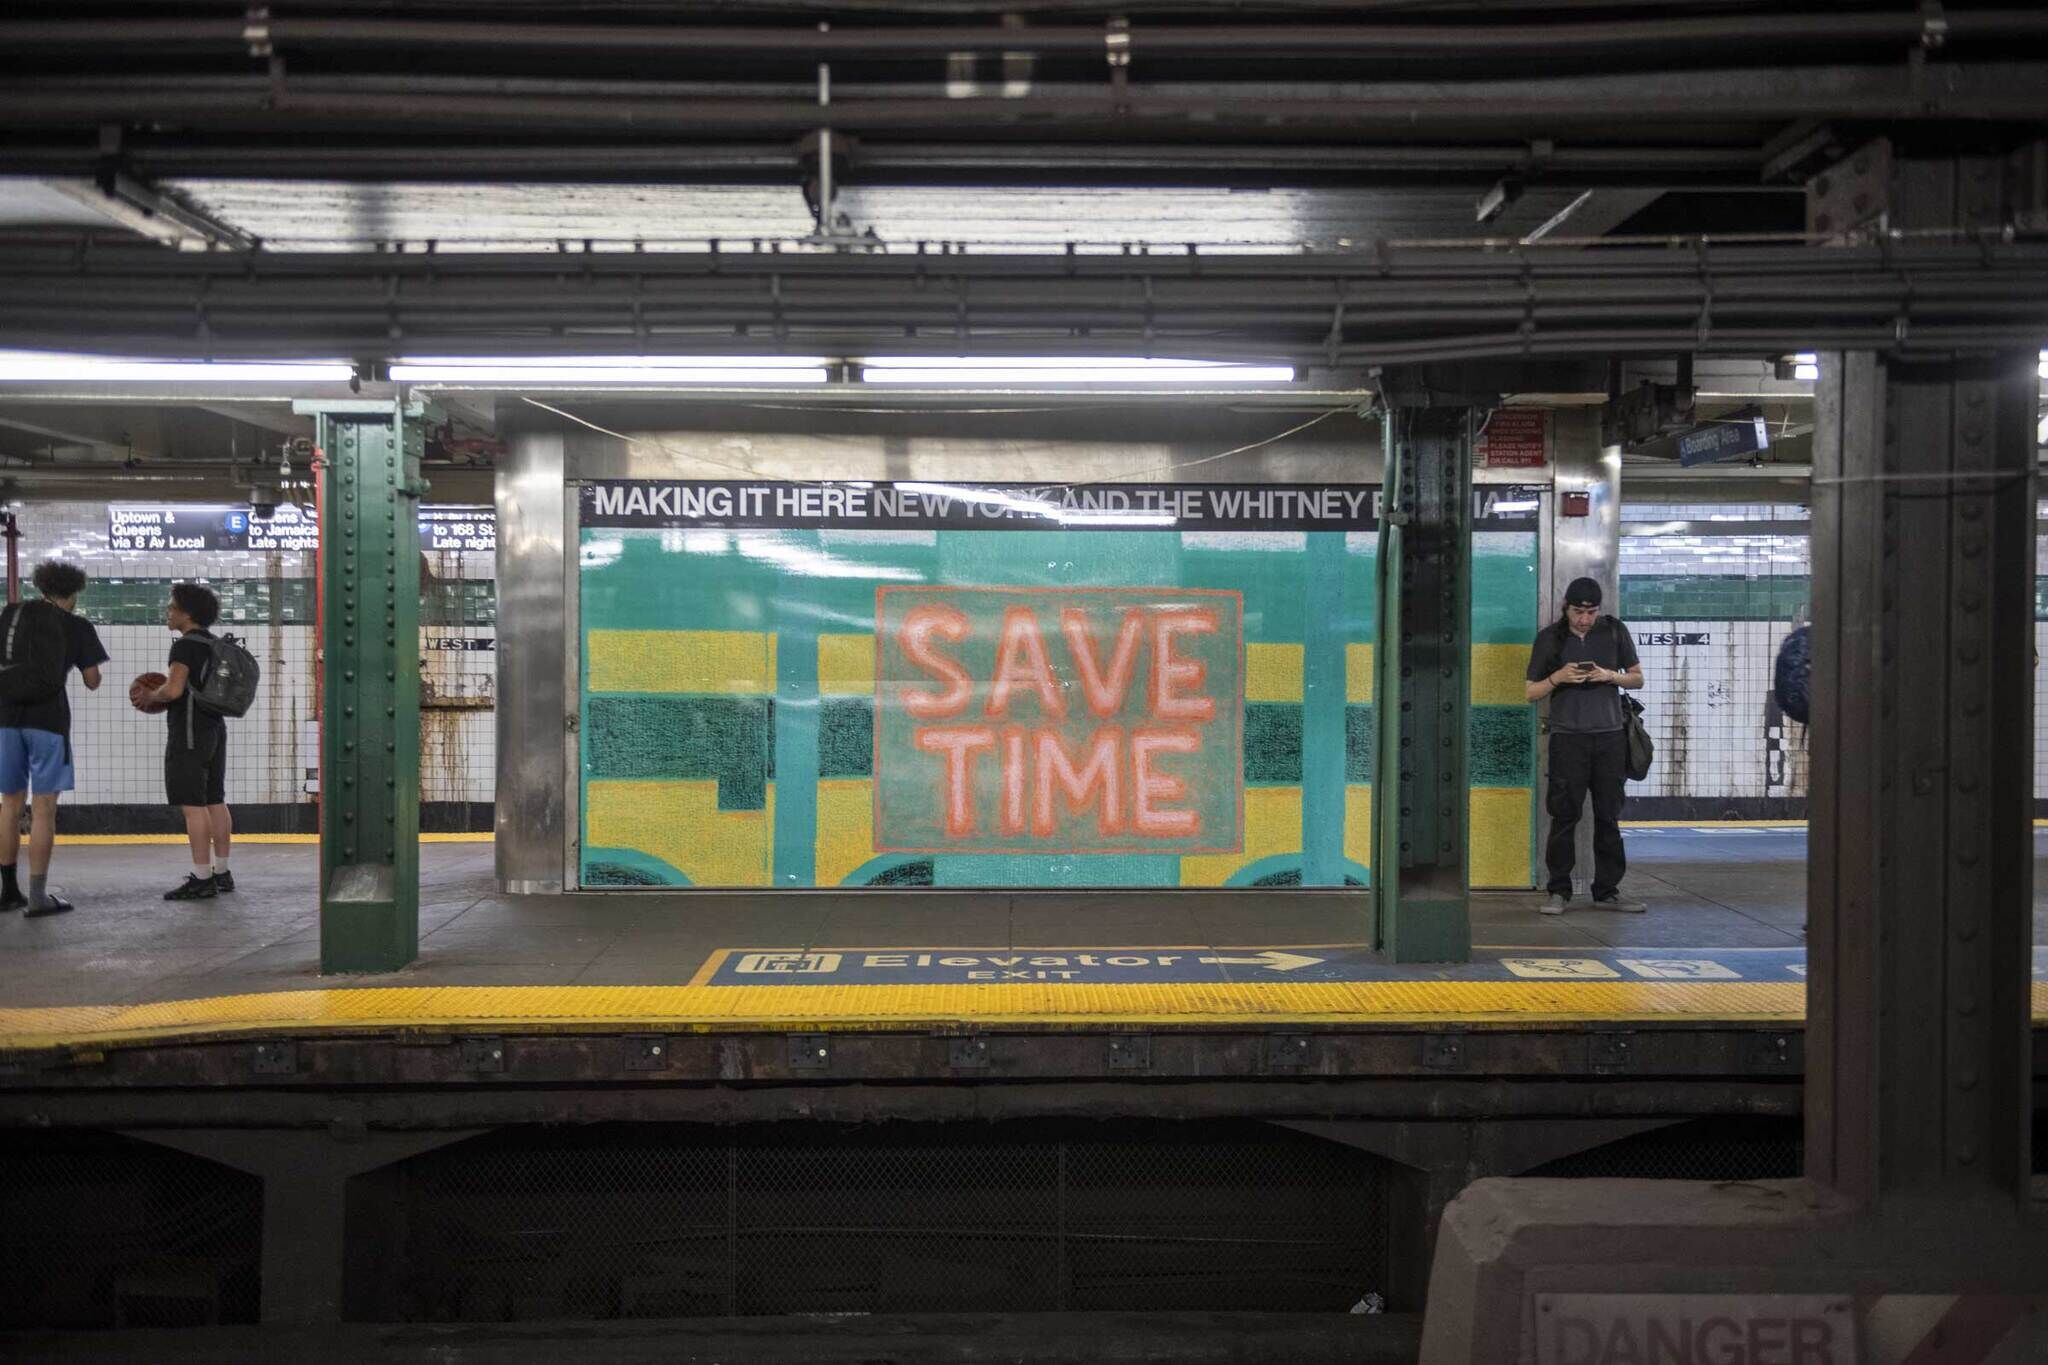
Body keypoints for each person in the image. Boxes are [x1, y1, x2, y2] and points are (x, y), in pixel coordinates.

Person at [1525, 577, 1646, 915]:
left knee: (1609, 816)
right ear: (1566, 607)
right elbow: (1530, 692)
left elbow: (1637, 677)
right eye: (1579, 612)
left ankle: (1607, 890)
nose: (1584, 619)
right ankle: (1559, 890)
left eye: (1591, 612)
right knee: (1564, 816)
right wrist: (1558, 678)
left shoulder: (1613, 631)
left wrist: (1610, 676)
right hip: (1568, 738)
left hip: (1610, 737)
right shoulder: (1550, 638)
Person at [0, 561, 108, 917]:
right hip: (48, 723)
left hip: (5, 719)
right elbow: (92, 681)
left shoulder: (11, 615)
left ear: (42, 587)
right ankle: (38, 897)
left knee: (9, 804)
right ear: (73, 593)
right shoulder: (76, 625)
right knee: (44, 808)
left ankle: (8, 891)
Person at [132, 583, 234, 901]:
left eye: (171, 607)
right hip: (215, 728)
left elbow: (174, 690)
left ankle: (202, 879)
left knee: (193, 805)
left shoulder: (185, 646)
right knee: (215, 800)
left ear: (186, 614)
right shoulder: (214, 643)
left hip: (189, 731)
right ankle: (222, 872)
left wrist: (151, 695)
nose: (168, 612)